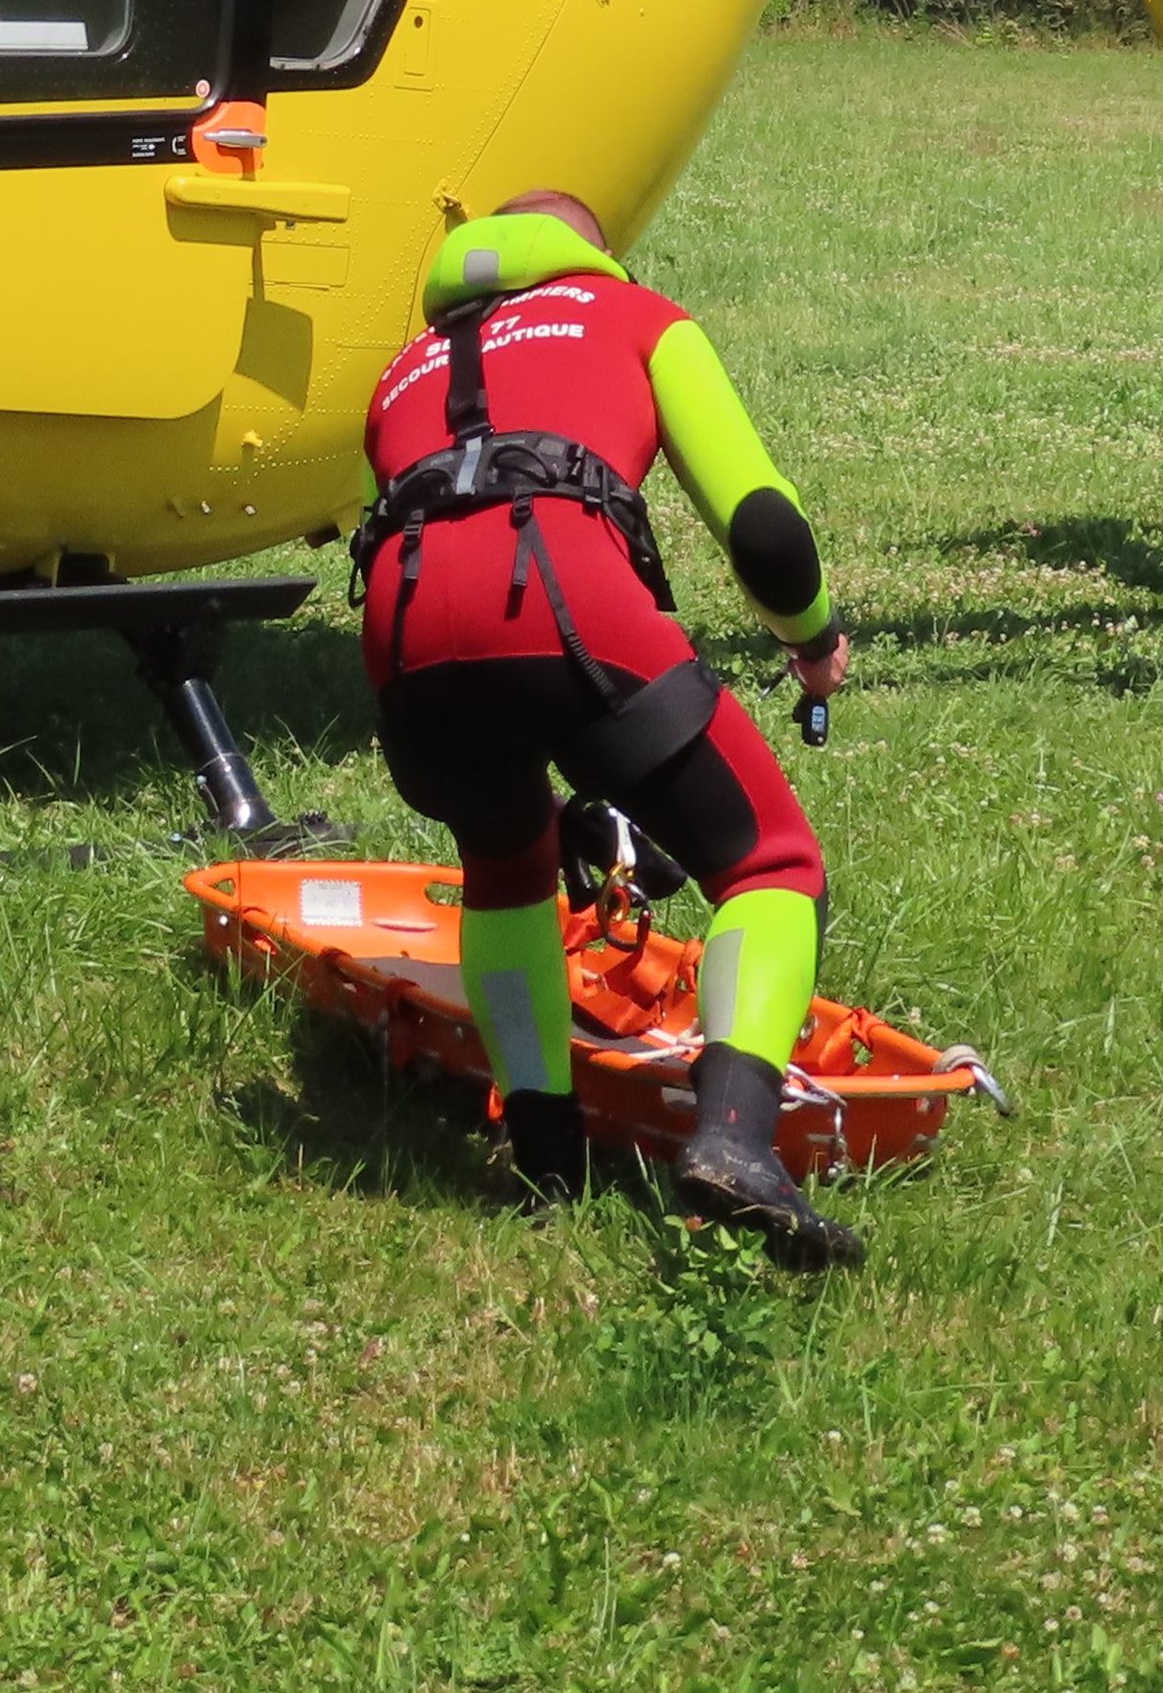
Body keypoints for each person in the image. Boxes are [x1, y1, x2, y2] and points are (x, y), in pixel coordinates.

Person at [349, 191, 860, 1265]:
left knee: (504, 865)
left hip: (403, 648)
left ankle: (544, 1161)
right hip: (566, 608)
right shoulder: (632, 317)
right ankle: (733, 1147)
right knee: (769, 865)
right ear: (589, 254)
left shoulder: (398, 372)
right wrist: (810, 640)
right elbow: (760, 522)